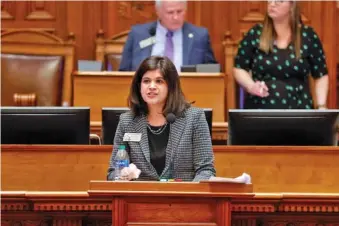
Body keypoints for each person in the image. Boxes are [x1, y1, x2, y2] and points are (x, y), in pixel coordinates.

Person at [107, 56, 216, 181]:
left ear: (171, 86)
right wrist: (122, 175)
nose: (152, 86)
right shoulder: (127, 121)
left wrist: (189, 193)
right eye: (146, 81)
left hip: (183, 198)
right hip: (140, 199)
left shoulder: (194, 118)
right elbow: (112, 174)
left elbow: (206, 170)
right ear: (139, 86)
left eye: (159, 81)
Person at [233, 0, 329, 109]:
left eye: (279, 1)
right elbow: (239, 68)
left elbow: (321, 74)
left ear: (292, 5)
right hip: (261, 109)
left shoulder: (308, 36)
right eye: (270, 0)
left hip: (299, 110)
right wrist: (251, 86)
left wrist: (322, 106)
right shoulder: (255, 34)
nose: (272, 4)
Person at [119, 0, 217, 72]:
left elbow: (212, 71)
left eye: (179, 11)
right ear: (158, 12)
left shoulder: (199, 36)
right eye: (170, 12)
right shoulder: (138, 34)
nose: (175, 17)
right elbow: (124, 71)